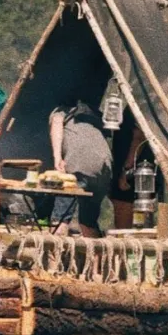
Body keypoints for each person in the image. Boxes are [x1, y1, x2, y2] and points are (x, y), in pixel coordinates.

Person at [49, 101, 112, 238]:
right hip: (104, 168)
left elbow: (56, 121)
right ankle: (95, 258)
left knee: (60, 219)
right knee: (88, 222)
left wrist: (57, 157)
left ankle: (54, 254)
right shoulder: (93, 118)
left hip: (80, 163)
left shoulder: (61, 111)